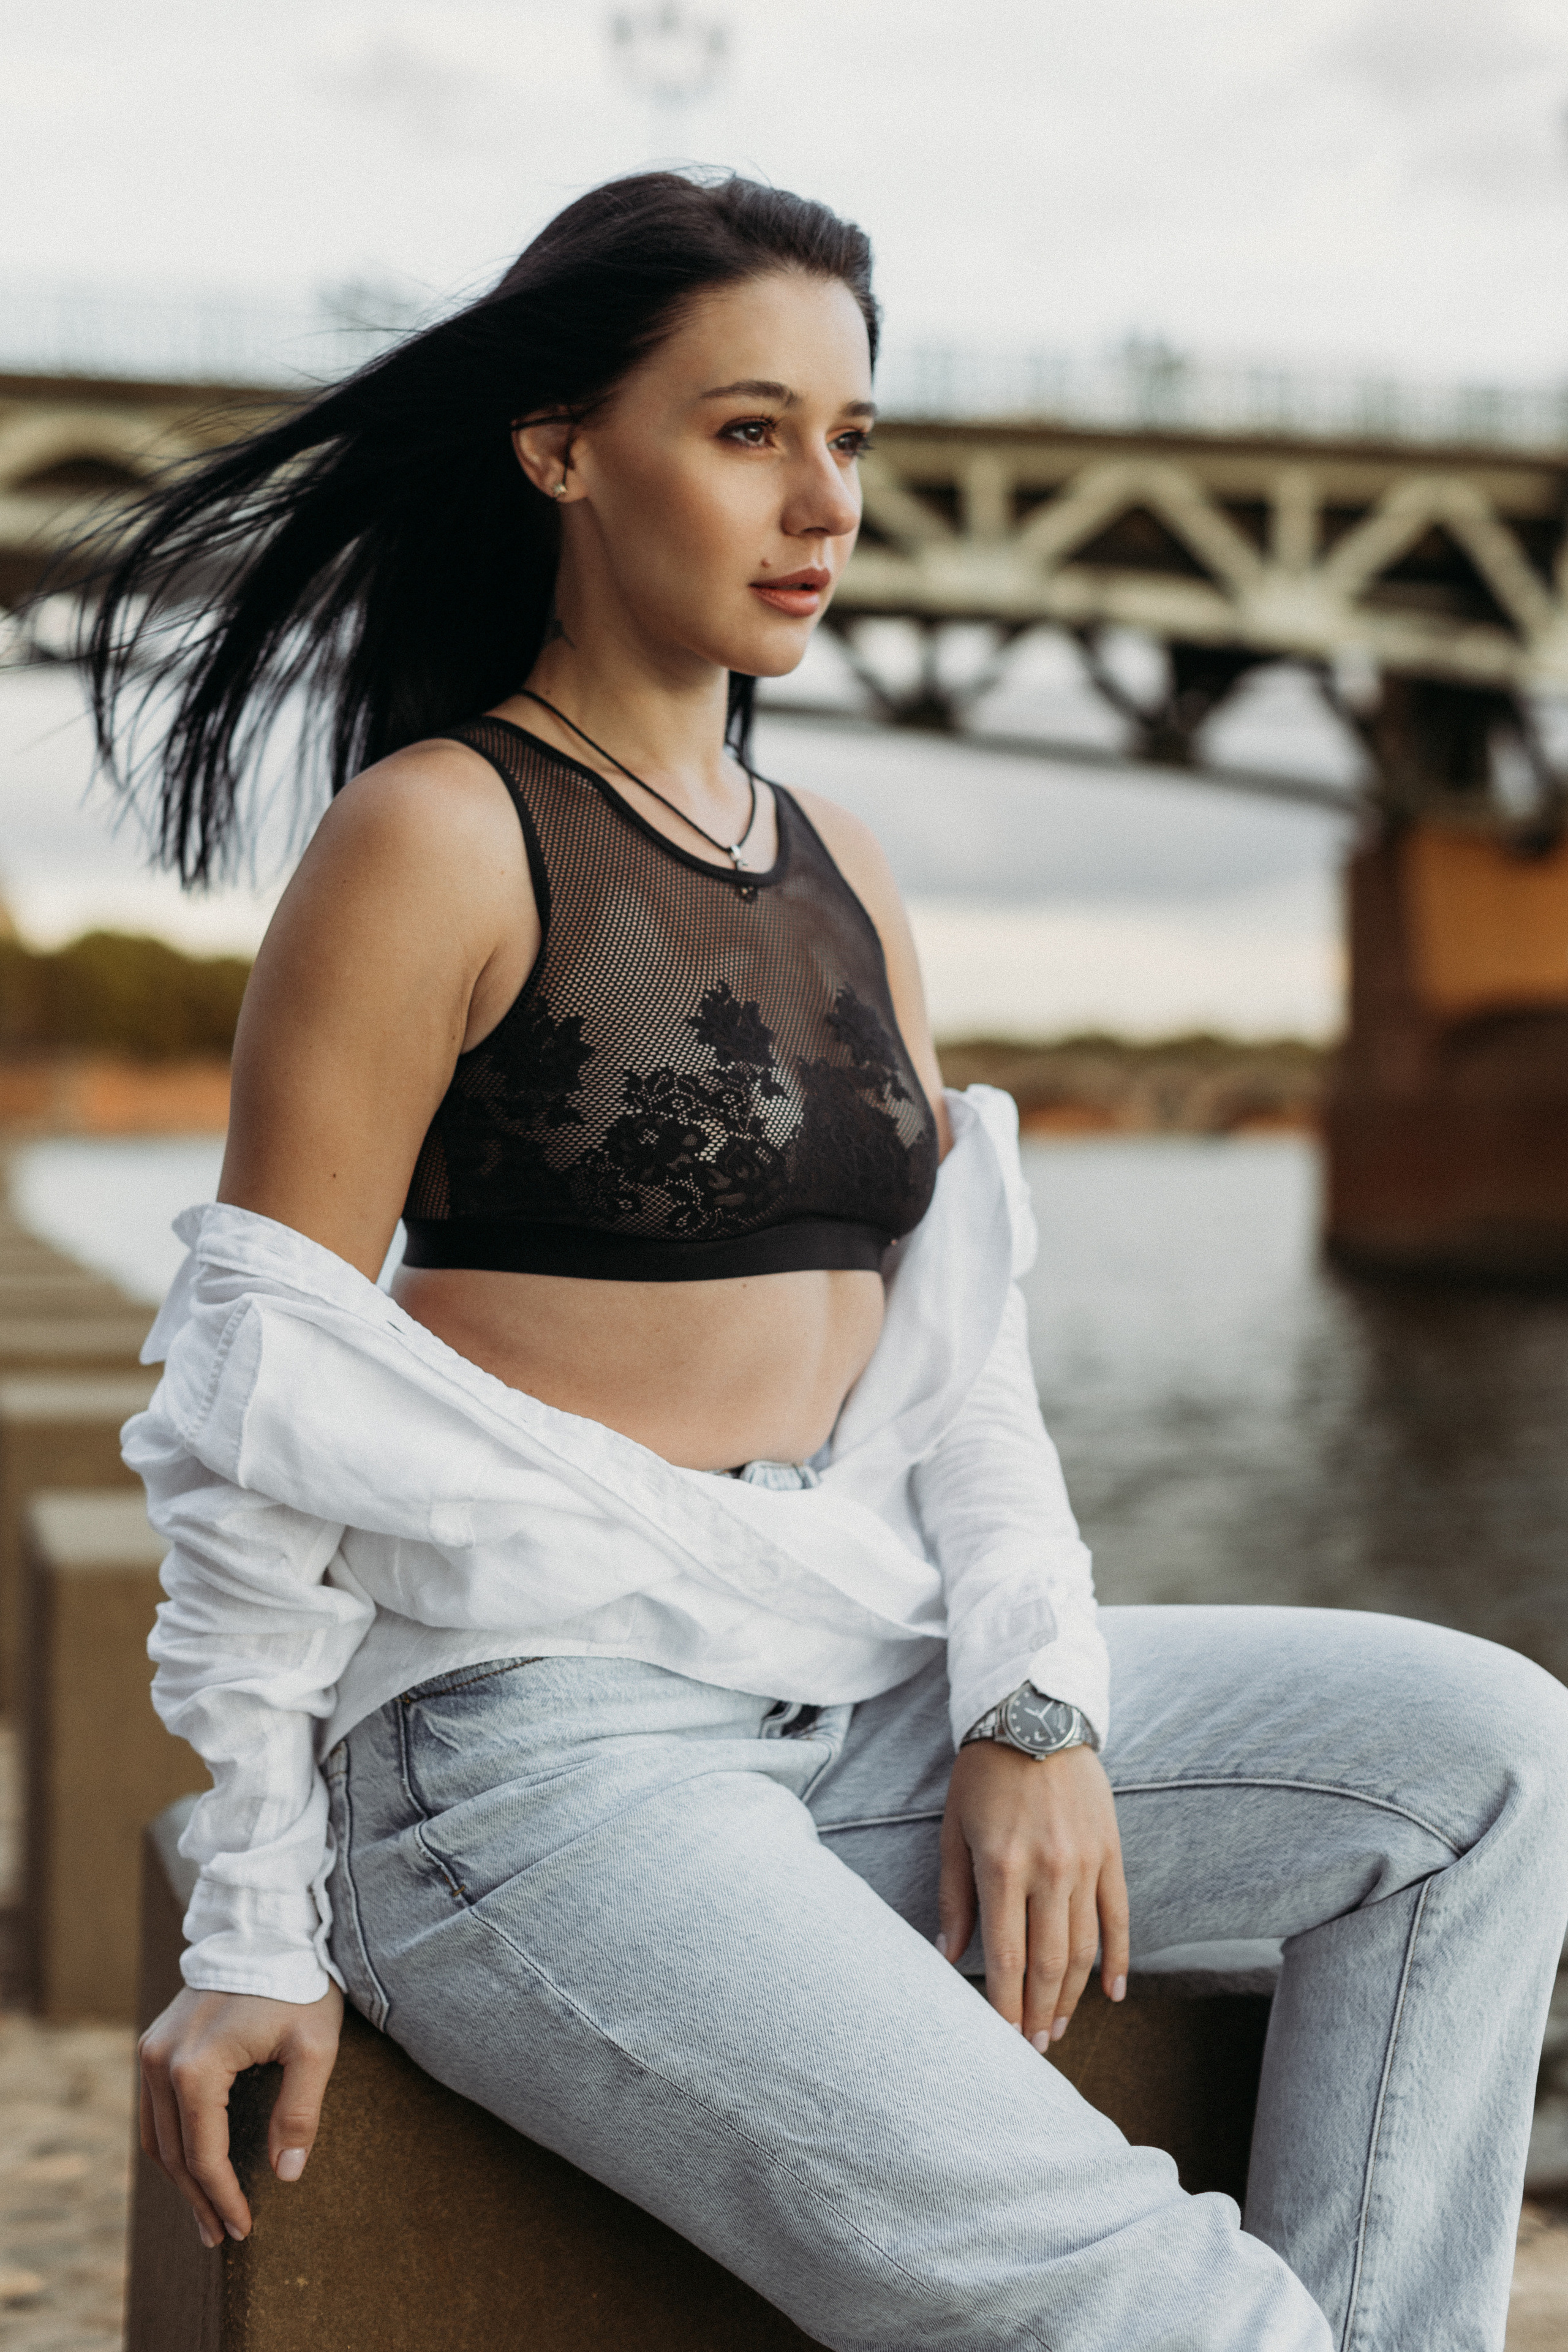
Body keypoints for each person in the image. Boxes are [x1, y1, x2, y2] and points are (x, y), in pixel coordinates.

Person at [92, 171, 1568, 2351]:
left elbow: (961, 1364)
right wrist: (249, 1927)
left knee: (1483, 1762)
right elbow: (249, 1421)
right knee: (1172, 2306)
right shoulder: (440, 833)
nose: (823, 503)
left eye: (852, 441)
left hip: (856, 1684)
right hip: (537, 1759)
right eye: (750, 429)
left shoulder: (845, 865)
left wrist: (1031, 1693)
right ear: (563, 447)